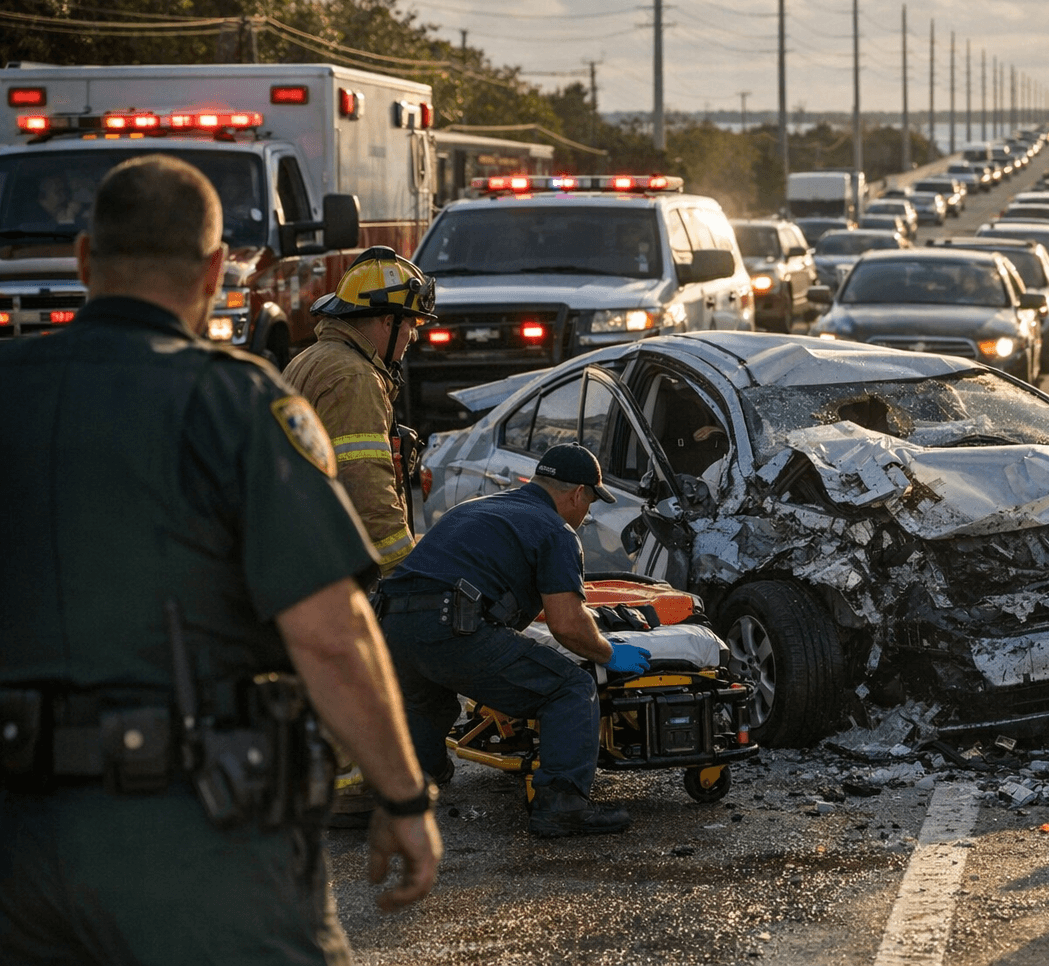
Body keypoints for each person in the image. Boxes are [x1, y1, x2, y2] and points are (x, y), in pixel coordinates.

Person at [0, 155, 440, 963]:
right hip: (188, 831)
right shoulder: (232, 401)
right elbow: (329, 634)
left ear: (85, 260)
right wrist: (402, 795)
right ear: (213, 269)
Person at [375, 443, 651, 838]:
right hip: (449, 627)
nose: (586, 513)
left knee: (428, 698)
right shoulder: (555, 530)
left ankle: (418, 781)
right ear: (577, 494)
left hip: (391, 626)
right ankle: (562, 805)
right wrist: (607, 652)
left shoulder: (472, 510)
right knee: (571, 688)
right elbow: (567, 626)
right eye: (589, 503)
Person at [285, 247, 435, 578]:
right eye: (410, 323)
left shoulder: (316, 357)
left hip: (300, 551)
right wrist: (408, 574)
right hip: (328, 567)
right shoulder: (355, 378)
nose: (413, 336)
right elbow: (366, 490)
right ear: (387, 322)